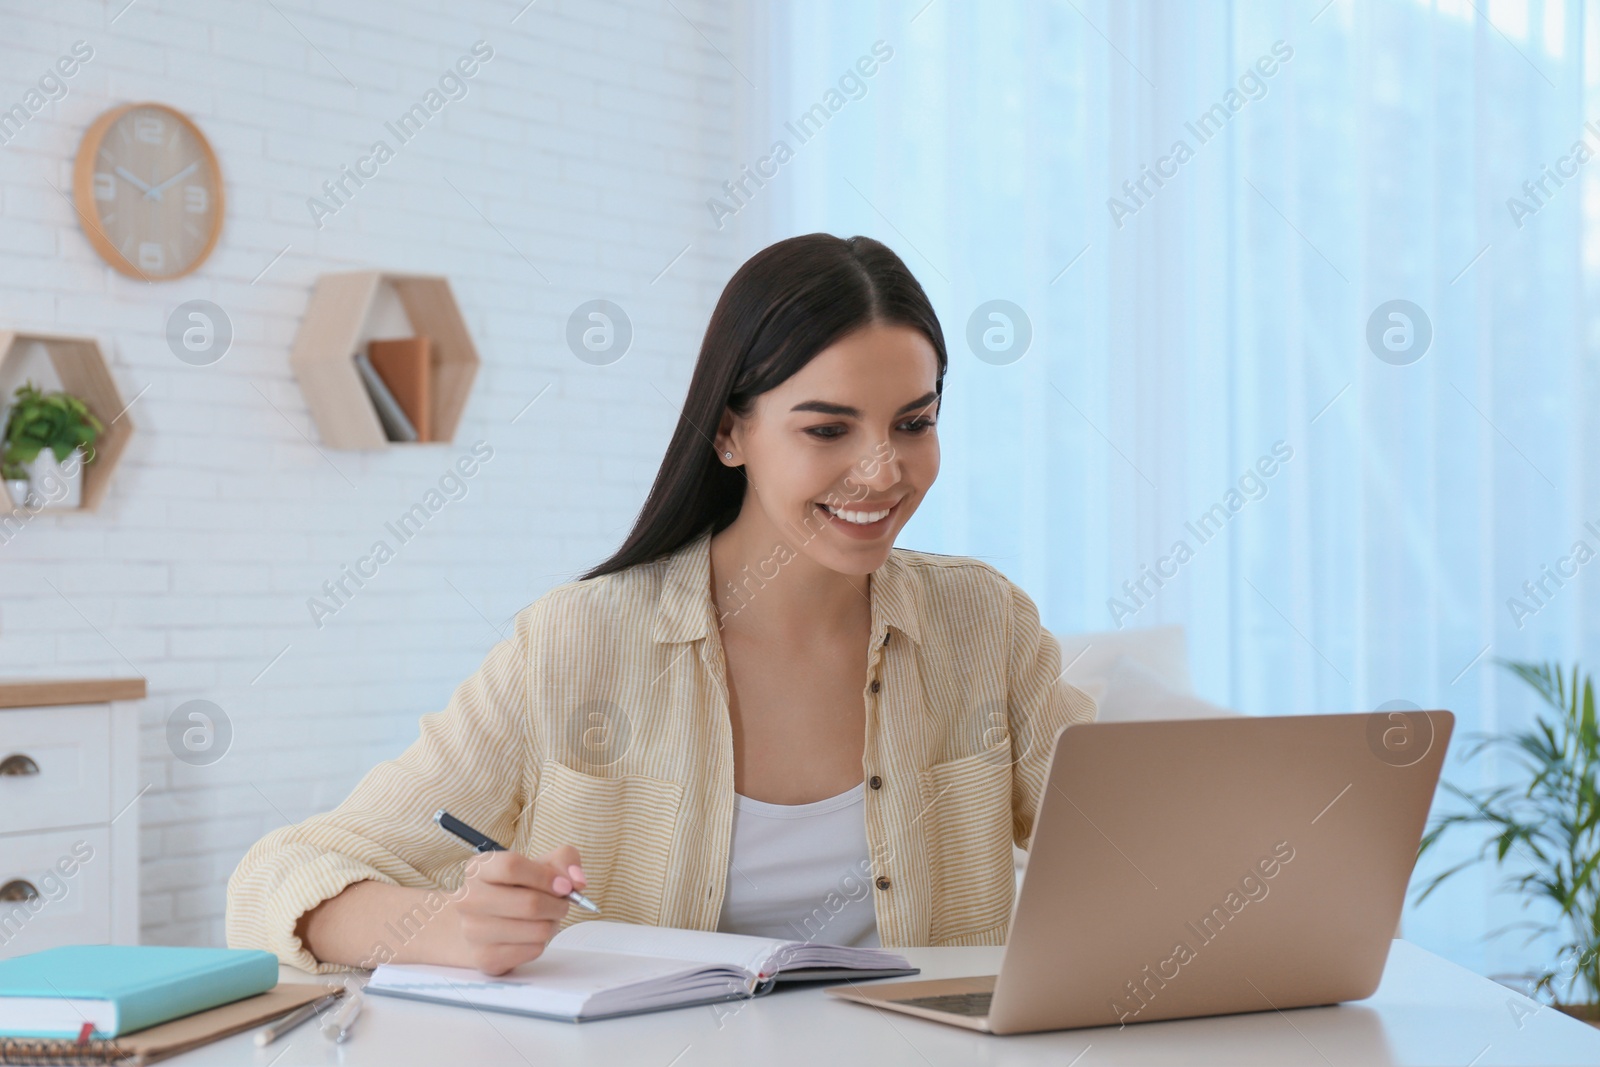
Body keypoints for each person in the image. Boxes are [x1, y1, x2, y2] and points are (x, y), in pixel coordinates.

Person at [226, 233, 1097, 976]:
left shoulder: (985, 626)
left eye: (914, 421)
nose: (884, 470)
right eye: (828, 429)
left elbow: (1131, 847)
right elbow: (281, 874)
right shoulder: (577, 642)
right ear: (729, 432)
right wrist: (444, 927)